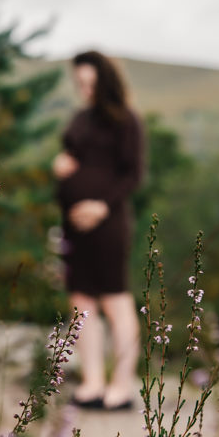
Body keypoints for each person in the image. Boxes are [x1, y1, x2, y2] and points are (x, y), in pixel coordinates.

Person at [53, 50, 144, 410]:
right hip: (73, 225)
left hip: (108, 224)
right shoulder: (80, 119)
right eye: (80, 84)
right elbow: (73, 158)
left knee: (115, 300)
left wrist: (100, 205)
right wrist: (63, 167)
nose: (85, 90)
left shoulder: (126, 121)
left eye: (91, 83)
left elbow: (132, 174)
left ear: (106, 80)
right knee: (80, 301)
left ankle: (120, 387)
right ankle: (91, 382)